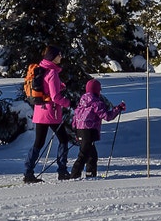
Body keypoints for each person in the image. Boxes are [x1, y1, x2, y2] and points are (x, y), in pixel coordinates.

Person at [23, 47, 75, 183]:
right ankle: (62, 171)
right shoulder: (52, 73)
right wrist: (69, 103)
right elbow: (56, 97)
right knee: (63, 139)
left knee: (38, 142)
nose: (61, 57)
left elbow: (45, 89)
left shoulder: (41, 69)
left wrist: (60, 86)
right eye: (59, 55)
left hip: (40, 111)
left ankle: (28, 172)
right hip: (51, 112)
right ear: (53, 57)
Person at [69, 79, 125, 179]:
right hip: (89, 131)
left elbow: (75, 116)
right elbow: (107, 116)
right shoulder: (96, 103)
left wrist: (75, 130)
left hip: (80, 130)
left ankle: (90, 174)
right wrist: (118, 109)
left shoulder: (82, 102)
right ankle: (75, 175)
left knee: (91, 155)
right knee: (85, 154)